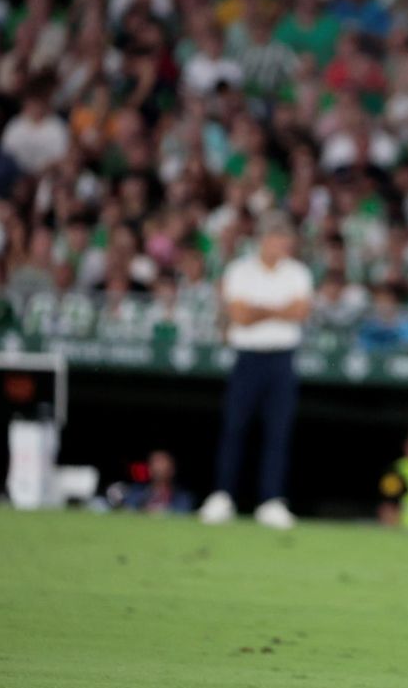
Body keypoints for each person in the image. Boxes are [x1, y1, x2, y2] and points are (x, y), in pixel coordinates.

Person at [199, 214, 314, 530]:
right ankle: (223, 497)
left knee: (278, 432)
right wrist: (278, 310)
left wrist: (258, 309)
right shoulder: (239, 270)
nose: (284, 245)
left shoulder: (298, 272)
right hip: (247, 358)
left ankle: (271, 501)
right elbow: (238, 315)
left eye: (286, 239)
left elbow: (301, 312)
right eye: (278, 238)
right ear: (264, 239)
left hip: (283, 359)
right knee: (234, 428)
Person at [107, 450, 192, 514]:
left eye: (162, 463)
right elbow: (127, 509)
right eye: (155, 463)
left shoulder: (183, 497)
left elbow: (182, 512)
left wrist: (159, 512)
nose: (157, 468)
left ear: (172, 470)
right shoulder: (136, 492)